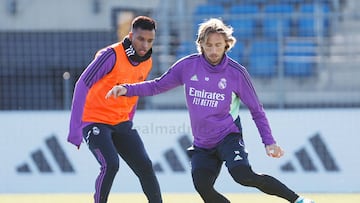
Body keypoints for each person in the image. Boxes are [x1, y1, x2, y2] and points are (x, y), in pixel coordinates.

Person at [105, 18, 315, 203]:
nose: (213, 50)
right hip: (203, 144)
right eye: (208, 45)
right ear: (201, 45)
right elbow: (157, 85)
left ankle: (298, 200)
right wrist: (127, 89)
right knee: (202, 186)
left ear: (226, 45)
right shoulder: (187, 66)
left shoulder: (236, 73)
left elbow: (256, 110)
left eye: (218, 45)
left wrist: (269, 142)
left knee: (243, 175)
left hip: (228, 136)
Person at [67, 16, 162, 203]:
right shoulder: (111, 55)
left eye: (150, 41)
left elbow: (134, 92)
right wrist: (75, 130)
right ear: (130, 35)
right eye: (141, 39)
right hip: (94, 120)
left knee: (145, 166)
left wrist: (129, 119)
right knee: (110, 164)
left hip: (121, 123)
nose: (145, 45)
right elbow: (81, 85)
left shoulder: (147, 61)